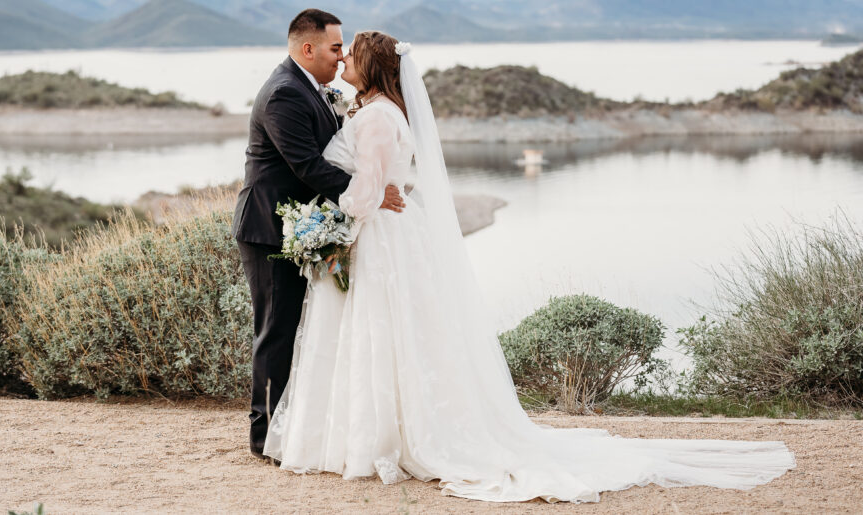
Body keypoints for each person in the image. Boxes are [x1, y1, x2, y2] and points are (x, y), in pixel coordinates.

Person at [262, 30, 795, 503]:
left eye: (351, 53)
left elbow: (367, 191)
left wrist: (336, 216)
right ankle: (373, 433)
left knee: (383, 332)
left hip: (380, 240)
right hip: (382, 237)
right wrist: (361, 205)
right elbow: (377, 187)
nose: (344, 59)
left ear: (371, 67)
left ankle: (384, 438)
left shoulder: (378, 116)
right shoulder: (371, 109)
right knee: (384, 335)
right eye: (341, 50)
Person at [232, 10, 404, 461]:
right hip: (270, 229)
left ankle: (298, 427)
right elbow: (307, 165)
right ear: (307, 49)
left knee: (300, 328)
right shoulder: (284, 93)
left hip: (304, 226)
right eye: (334, 48)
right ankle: (263, 435)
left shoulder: (310, 87)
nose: (341, 55)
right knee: (276, 330)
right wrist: (366, 193)